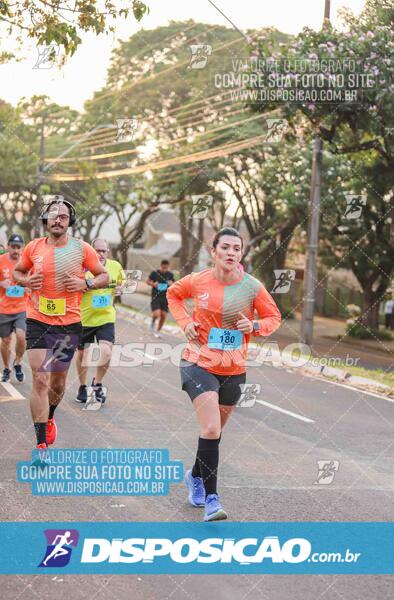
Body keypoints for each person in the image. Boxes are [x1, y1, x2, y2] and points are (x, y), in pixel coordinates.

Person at [167, 227, 281, 521]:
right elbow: (173, 294)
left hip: (233, 368)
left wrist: (254, 327)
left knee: (213, 434)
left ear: (241, 254)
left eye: (236, 249)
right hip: (198, 362)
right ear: (213, 251)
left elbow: (273, 317)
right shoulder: (198, 281)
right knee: (211, 429)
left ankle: (194, 476)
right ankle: (212, 500)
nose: (231, 253)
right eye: (226, 247)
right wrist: (185, 322)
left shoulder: (252, 287)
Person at [13, 199, 109, 452]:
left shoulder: (82, 249)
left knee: (57, 382)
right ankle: (41, 443)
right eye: (53, 215)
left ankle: (51, 415)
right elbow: (18, 272)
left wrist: (85, 284)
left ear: (70, 221)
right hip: (36, 318)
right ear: (45, 219)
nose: (58, 220)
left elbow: (104, 275)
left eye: (63, 216)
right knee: (41, 379)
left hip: (68, 323)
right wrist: (26, 281)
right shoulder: (33, 247)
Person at [75, 238, 125, 404]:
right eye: (97, 250)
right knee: (83, 355)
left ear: (108, 252)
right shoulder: (82, 268)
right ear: (91, 251)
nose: (101, 254)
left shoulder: (115, 266)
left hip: (106, 318)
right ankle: (82, 386)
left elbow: (122, 281)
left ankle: (97, 383)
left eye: (104, 251)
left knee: (106, 351)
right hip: (84, 320)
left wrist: (120, 288)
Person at [0, 234, 27, 383]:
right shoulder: (1, 260)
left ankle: (17, 362)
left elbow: (35, 279)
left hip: (22, 307)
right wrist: (1, 284)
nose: (16, 250)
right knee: (6, 341)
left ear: (22, 248)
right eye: (13, 247)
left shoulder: (26, 262)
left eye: (18, 247)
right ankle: (6, 367)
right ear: (8, 246)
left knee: (21, 337)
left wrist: (29, 286)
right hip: (4, 308)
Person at [146, 259, 175, 337]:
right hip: (156, 296)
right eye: (163, 268)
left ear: (168, 267)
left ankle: (158, 331)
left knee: (163, 315)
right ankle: (152, 322)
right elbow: (147, 281)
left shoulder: (170, 274)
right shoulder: (155, 273)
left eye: (166, 268)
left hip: (165, 297)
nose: (165, 270)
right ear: (161, 266)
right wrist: (153, 284)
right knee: (157, 314)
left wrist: (171, 284)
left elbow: (174, 284)